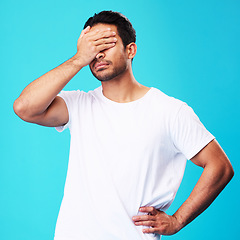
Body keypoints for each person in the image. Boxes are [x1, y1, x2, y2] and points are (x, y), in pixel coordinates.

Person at [13, 10, 234, 240]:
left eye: (105, 44)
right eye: (92, 47)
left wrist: (177, 220)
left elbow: (220, 167)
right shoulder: (79, 104)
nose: (97, 54)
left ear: (131, 50)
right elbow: (24, 107)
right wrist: (79, 58)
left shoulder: (170, 111)